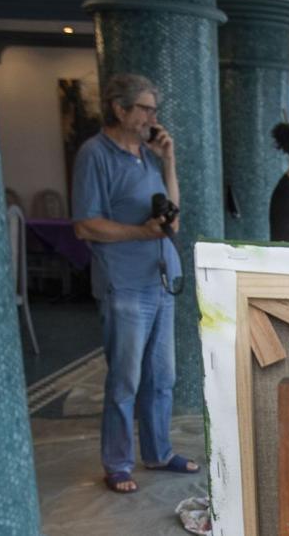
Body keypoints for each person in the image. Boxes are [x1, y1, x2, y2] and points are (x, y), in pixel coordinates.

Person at [71, 73, 200, 494]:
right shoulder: (95, 155)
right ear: (119, 109)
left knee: (162, 376)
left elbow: (172, 213)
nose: (152, 116)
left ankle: (158, 452)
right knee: (125, 379)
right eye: (144, 108)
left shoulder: (146, 154)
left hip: (161, 278)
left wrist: (169, 161)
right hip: (124, 284)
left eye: (153, 109)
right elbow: (85, 226)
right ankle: (118, 463)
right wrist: (140, 234)